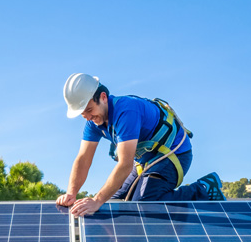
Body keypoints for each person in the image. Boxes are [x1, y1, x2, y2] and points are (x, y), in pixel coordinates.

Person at [55, 73, 225, 216]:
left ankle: (203, 188)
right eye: (82, 113)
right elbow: (83, 159)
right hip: (146, 161)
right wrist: (71, 193)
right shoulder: (93, 123)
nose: (87, 117)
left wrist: (97, 200)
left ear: (103, 97)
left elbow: (125, 164)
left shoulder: (126, 112)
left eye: (89, 110)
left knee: (143, 204)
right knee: (114, 204)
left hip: (175, 154)